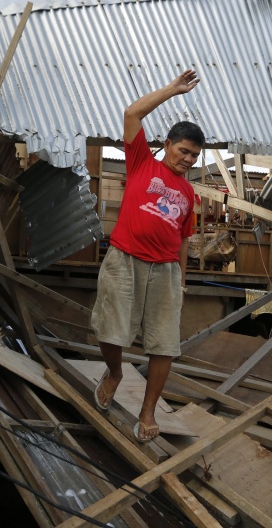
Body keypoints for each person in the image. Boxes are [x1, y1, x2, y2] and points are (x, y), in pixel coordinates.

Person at [91, 69, 204, 442]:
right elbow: (132, 114)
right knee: (110, 330)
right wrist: (172, 90)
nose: (188, 159)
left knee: (165, 343)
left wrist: (182, 281)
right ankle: (115, 372)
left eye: (194, 155)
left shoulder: (188, 193)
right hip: (124, 260)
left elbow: (183, 239)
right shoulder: (141, 161)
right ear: (168, 144)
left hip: (166, 272)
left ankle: (148, 410)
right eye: (183, 150)